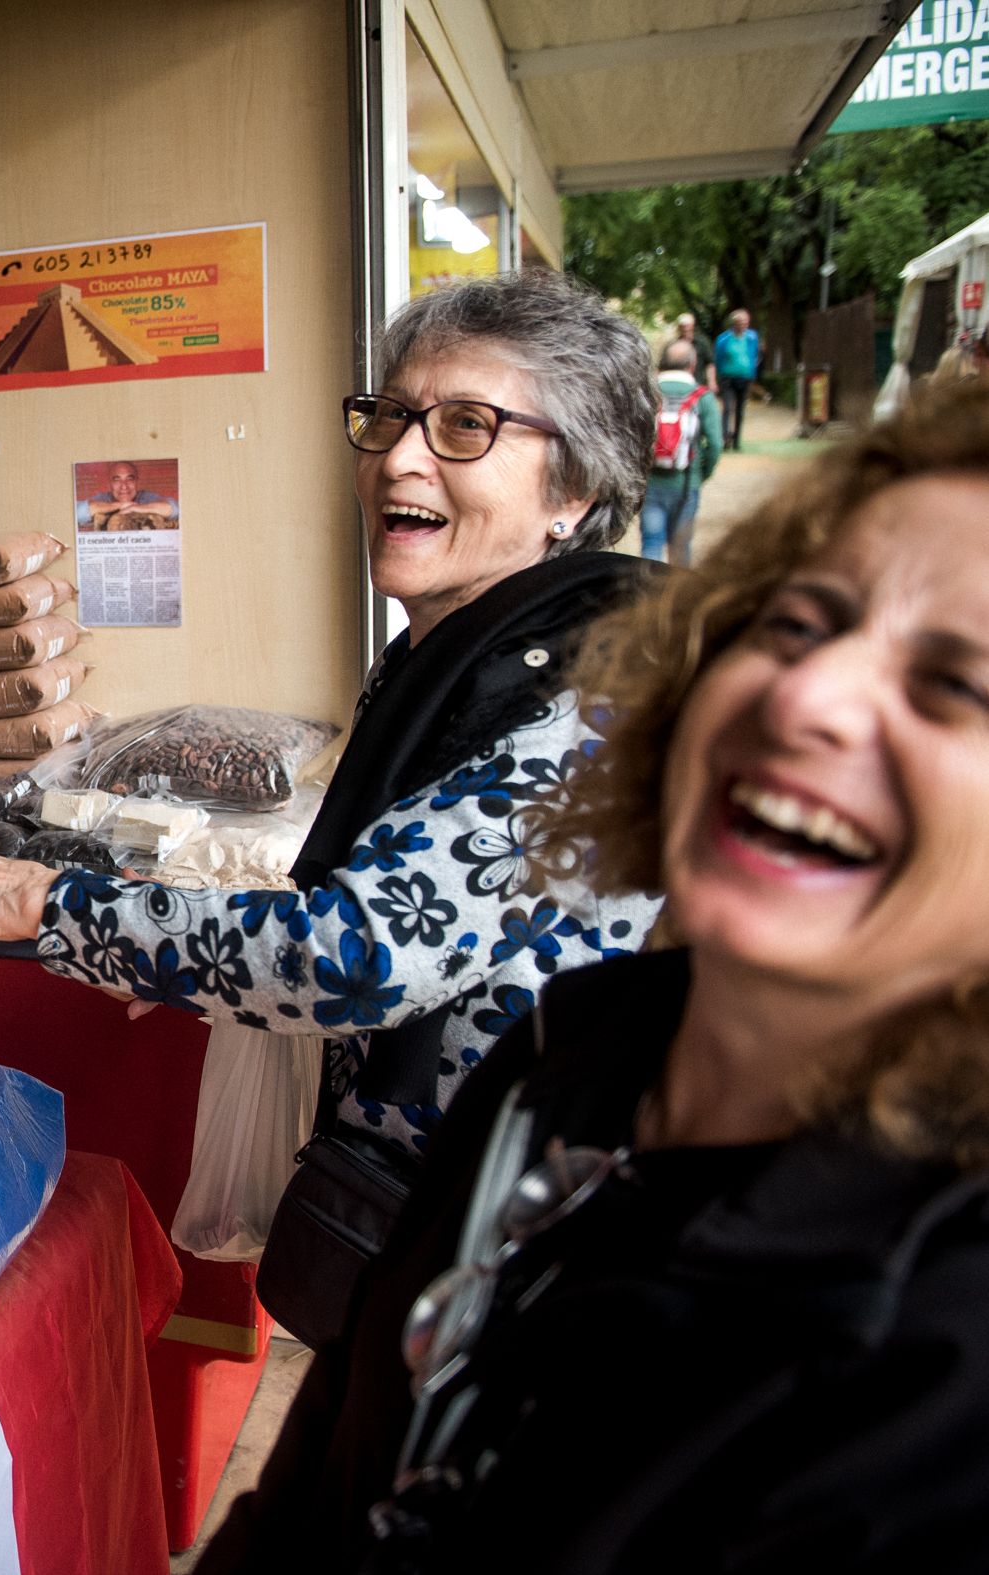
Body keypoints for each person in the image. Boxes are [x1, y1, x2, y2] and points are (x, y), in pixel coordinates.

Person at [200, 381, 989, 1575]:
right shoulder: (573, 1054)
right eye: (800, 623)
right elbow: (333, 1457)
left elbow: (343, 954)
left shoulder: (941, 1348)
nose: (808, 697)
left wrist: (41, 906)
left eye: (955, 688)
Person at [0, 271, 666, 1299]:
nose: (398, 458)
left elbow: (359, 952)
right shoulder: (453, 661)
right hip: (426, 1218)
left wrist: (43, 904)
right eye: (390, 417)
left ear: (574, 493)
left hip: (522, 1252)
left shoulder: (584, 695)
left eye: (466, 425)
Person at [642, 338, 722, 566]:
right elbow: (715, 443)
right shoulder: (702, 397)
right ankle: (678, 596)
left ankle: (646, 595)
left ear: (663, 362)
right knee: (680, 546)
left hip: (651, 481)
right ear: (693, 364)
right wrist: (701, 473)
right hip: (687, 482)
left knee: (651, 542)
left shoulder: (648, 392)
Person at [74, 460, 180, 529]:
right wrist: (118, 505)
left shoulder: (147, 497)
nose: (124, 486)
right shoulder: (103, 498)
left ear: (136, 482)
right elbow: (77, 512)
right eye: (117, 480)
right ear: (110, 484)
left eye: (129, 479)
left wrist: (137, 508)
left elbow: (176, 509)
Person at [712, 306, 761, 449]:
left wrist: (752, 373)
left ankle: (737, 440)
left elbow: (754, 355)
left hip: (745, 378)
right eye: (740, 322)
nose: (743, 324)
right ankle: (725, 438)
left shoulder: (752, 337)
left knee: (740, 409)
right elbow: (718, 359)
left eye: (746, 322)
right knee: (727, 407)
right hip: (728, 378)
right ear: (734, 323)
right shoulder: (723, 339)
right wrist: (718, 377)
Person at [667, 311, 716, 388]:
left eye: (687, 325)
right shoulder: (673, 345)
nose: (685, 328)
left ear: (692, 326)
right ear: (679, 327)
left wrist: (712, 381)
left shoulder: (702, 343)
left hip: (697, 383)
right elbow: (664, 365)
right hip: (678, 384)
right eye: (682, 326)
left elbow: (710, 364)